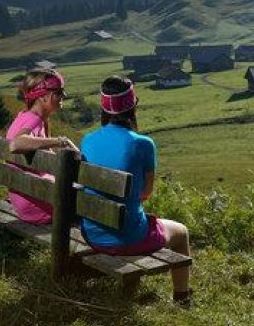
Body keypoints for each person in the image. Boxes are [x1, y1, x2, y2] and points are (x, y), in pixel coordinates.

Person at [80, 75, 193, 306]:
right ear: (133, 107)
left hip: (92, 233)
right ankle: (182, 298)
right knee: (181, 232)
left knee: (133, 218)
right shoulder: (143, 143)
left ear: (103, 108)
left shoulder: (87, 140)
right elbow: (145, 193)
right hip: (127, 238)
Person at [6, 69, 77, 224]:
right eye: (58, 92)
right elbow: (16, 144)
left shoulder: (25, 117)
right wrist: (61, 141)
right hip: (36, 205)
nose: (63, 96)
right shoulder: (34, 120)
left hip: (25, 198)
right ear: (44, 96)